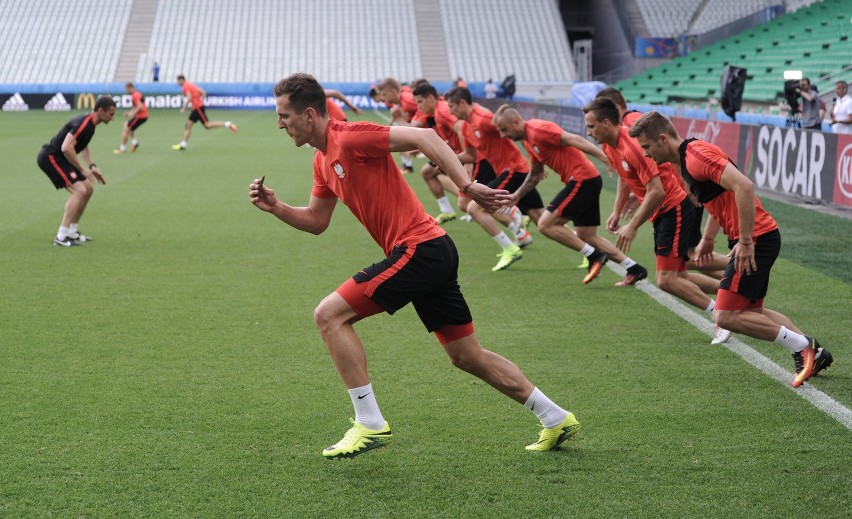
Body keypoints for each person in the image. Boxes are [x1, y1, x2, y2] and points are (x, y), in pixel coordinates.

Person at [250, 73, 581, 459]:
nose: (280, 124)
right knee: (466, 356)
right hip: (430, 252)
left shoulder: (351, 136)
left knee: (329, 316)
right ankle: (555, 417)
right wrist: (277, 208)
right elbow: (316, 221)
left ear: (309, 115)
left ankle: (370, 423)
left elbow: (424, 138)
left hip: (420, 249)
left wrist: (465, 184)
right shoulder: (322, 162)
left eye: (284, 115)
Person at [628, 111, 834, 387]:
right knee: (753, 312)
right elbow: (722, 196)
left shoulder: (695, 156)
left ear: (662, 139)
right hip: (753, 237)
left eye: (647, 147)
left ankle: (802, 347)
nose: (646, 154)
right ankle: (816, 353)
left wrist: (746, 241)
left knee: (725, 315)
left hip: (756, 239)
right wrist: (708, 239)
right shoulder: (687, 159)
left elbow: (744, 186)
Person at [583, 98, 731, 343]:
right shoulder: (610, 145)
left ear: (607, 123)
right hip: (664, 212)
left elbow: (657, 191)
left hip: (673, 209)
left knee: (667, 279)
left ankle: (721, 317)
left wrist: (632, 226)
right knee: (680, 273)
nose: (588, 132)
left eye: (591, 126)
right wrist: (617, 211)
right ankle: (733, 293)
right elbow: (625, 176)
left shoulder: (631, 146)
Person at [493, 105, 649, 285]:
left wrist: (606, 158)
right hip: (587, 180)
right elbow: (536, 172)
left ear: (515, 122)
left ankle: (594, 256)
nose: (503, 136)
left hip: (582, 180)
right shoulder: (527, 139)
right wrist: (517, 195)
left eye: (504, 130)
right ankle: (634, 269)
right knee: (587, 236)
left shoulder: (538, 129)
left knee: (545, 224)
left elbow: (574, 139)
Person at [446, 86, 545, 271]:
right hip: (508, 171)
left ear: (462, 103)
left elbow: (517, 130)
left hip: (514, 169)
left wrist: (537, 161)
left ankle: (510, 247)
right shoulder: (466, 127)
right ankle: (593, 252)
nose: (450, 111)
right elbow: (471, 155)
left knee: (474, 208)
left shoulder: (482, 119)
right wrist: (444, 158)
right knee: (545, 222)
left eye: (452, 106)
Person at [37, 95, 116, 246]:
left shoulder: (91, 124)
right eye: (111, 114)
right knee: (80, 190)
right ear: (100, 110)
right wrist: (82, 169)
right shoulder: (84, 123)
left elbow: (83, 145)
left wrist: (92, 166)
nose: (112, 118)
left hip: (62, 158)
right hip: (51, 157)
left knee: (88, 188)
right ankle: (61, 236)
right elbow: (66, 147)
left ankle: (72, 232)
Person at [412, 82, 465, 224]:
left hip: (463, 152)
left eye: (420, 102)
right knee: (429, 172)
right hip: (454, 150)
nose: (419, 106)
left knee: (470, 198)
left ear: (430, 98)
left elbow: (461, 127)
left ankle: (514, 218)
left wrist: (466, 154)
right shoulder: (437, 110)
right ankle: (448, 209)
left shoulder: (441, 110)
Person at [171, 74, 237, 151]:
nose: (178, 83)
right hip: (196, 107)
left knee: (207, 125)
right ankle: (183, 145)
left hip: (197, 108)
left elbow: (189, 97)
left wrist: (184, 108)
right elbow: (203, 92)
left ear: (181, 80)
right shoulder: (191, 84)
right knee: (188, 125)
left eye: (178, 81)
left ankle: (228, 124)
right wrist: (200, 101)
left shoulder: (185, 87)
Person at [114, 82, 148, 154]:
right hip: (143, 116)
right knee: (127, 125)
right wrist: (130, 112)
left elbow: (140, 107)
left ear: (130, 88)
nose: (126, 91)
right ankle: (135, 143)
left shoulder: (134, 95)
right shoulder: (137, 93)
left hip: (141, 116)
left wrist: (131, 113)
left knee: (126, 129)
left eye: (126, 90)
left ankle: (122, 148)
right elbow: (137, 106)